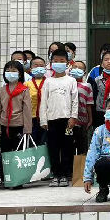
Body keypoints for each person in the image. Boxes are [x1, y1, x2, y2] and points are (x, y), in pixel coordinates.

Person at [39, 49, 82, 186]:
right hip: (51, 120)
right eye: (55, 61)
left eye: (62, 61)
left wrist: (73, 117)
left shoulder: (71, 80)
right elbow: (43, 102)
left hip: (67, 120)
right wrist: (43, 120)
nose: (58, 63)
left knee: (67, 147)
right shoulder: (48, 81)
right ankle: (55, 174)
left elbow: (75, 100)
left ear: (67, 63)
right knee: (53, 148)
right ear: (51, 63)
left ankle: (64, 175)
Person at [0, 60, 33, 188]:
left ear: (20, 74)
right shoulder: (2, 90)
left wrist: (27, 129)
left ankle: (17, 179)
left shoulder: (24, 90)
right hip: (4, 125)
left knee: (17, 154)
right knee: (5, 153)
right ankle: (4, 178)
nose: (11, 73)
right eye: (8, 70)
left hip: (19, 125)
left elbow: (27, 110)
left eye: (14, 70)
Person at [70, 59, 93, 157]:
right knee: (69, 144)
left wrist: (90, 119)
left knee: (82, 144)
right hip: (69, 120)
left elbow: (89, 104)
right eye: (75, 67)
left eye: (80, 68)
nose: (77, 69)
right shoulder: (67, 84)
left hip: (82, 120)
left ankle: (81, 164)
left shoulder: (87, 86)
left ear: (84, 72)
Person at [91, 50, 110, 127]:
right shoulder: (97, 80)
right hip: (99, 112)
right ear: (102, 63)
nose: (109, 62)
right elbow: (94, 97)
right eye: (106, 60)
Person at [26, 57, 47, 146]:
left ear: (45, 68)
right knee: (32, 143)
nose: (38, 67)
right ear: (30, 68)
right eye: (36, 65)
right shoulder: (26, 84)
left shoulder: (49, 82)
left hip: (46, 117)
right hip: (32, 118)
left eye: (41, 66)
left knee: (45, 142)